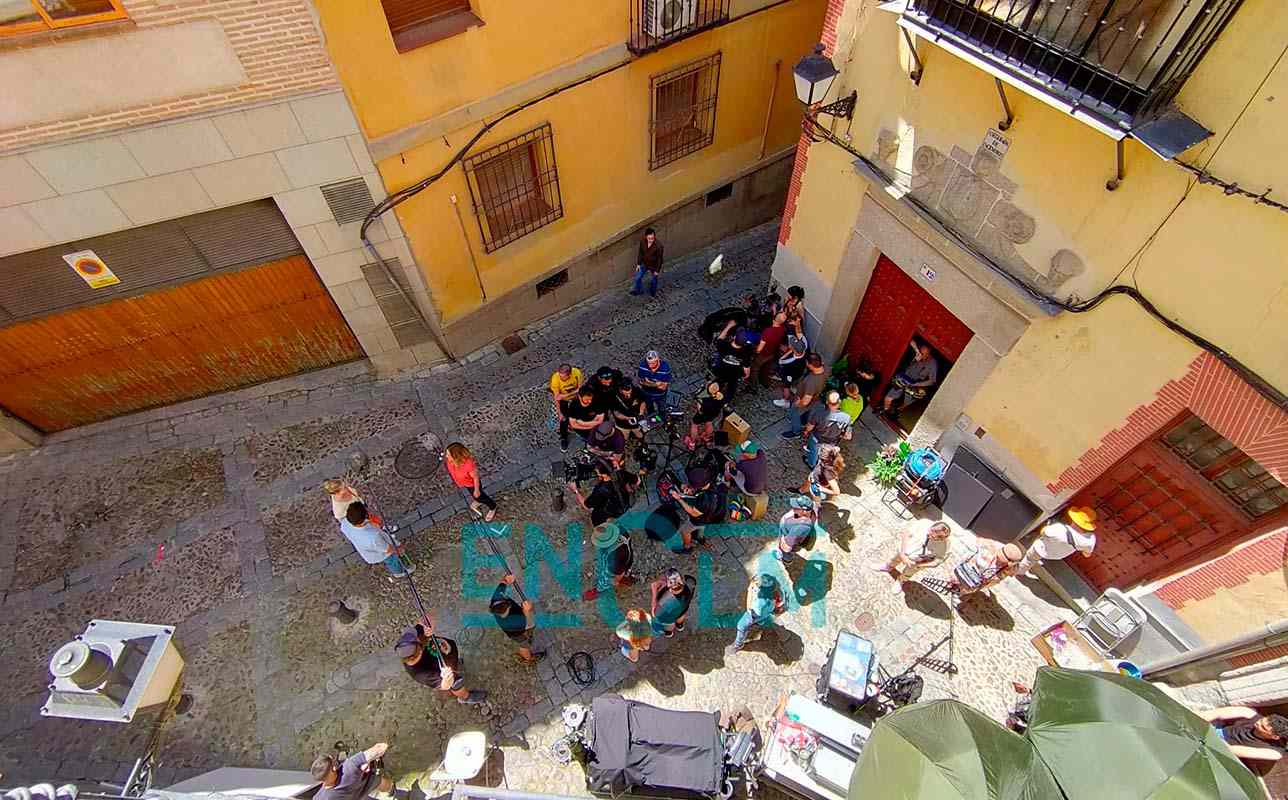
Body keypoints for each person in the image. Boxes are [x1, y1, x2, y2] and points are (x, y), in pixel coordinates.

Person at [395, 616, 487, 705]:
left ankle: (456, 665)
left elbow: (429, 616)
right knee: (456, 683)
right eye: (417, 638)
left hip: (447, 659)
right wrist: (448, 678)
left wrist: (428, 625)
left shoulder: (414, 637)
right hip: (447, 673)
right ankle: (466, 697)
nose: (418, 634)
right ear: (419, 650)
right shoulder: (422, 674)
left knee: (455, 669)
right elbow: (446, 685)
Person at [870, 521, 952, 593]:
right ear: (931, 528)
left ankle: (900, 581)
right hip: (904, 550)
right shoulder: (924, 523)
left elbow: (937, 561)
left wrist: (918, 565)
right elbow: (906, 533)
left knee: (908, 573)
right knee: (894, 559)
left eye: (935, 538)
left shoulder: (945, 546)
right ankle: (888, 567)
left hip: (917, 562)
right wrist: (902, 554)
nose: (931, 538)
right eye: (931, 534)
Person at [340, 502, 414, 580]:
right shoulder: (373, 537)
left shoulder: (344, 523)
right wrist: (398, 549)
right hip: (380, 553)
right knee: (392, 561)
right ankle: (399, 572)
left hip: (367, 549)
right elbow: (387, 549)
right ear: (365, 517)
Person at [1017, 506, 1097, 575]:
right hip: (1057, 555)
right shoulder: (1089, 540)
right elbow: (1087, 554)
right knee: (1044, 552)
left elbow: (1043, 532)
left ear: (1074, 518)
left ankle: (1018, 571)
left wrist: (1048, 526)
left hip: (1041, 549)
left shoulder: (1059, 528)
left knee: (1030, 558)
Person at [1198, 707, 1287, 764]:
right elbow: (1216, 713)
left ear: (1274, 737)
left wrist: (1209, 736)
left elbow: (1230, 750)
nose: (1257, 723)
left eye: (1262, 727)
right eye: (1262, 720)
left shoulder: (1274, 753)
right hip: (1214, 730)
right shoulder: (1250, 714)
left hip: (1220, 750)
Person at [490, 574, 545, 663]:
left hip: (519, 622)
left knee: (527, 637)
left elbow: (503, 583)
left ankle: (527, 651)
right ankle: (528, 658)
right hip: (518, 633)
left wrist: (506, 580)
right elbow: (527, 624)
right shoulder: (512, 622)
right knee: (524, 645)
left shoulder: (496, 598)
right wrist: (527, 611)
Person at [311, 742, 392, 800]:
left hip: (356, 796)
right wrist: (385, 744)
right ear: (333, 769)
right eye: (333, 763)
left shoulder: (319, 798)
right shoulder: (349, 769)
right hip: (368, 782)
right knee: (383, 784)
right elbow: (378, 749)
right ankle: (392, 791)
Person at [728, 574, 785, 654]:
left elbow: (750, 610)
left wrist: (750, 590)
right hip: (766, 613)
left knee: (741, 626)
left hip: (756, 614)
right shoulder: (776, 594)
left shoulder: (759, 603)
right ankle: (759, 623)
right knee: (761, 619)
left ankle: (738, 644)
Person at [948, 541, 1024, 599]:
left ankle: (959, 588)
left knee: (966, 586)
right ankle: (956, 586)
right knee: (960, 580)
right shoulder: (988, 549)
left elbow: (998, 579)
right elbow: (970, 555)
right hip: (971, 572)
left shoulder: (1012, 567)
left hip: (976, 578)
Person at [572, 460, 638, 526]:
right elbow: (637, 480)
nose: (597, 473)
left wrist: (576, 490)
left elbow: (586, 506)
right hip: (625, 504)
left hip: (612, 510)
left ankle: (601, 530)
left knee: (596, 516)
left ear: (602, 474)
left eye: (597, 471)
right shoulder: (621, 473)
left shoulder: (602, 490)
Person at [882, 342, 939, 415]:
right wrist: (916, 351)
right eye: (920, 352)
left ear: (929, 354)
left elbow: (932, 381)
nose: (920, 355)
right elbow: (911, 341)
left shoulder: (933, 363)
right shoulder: (917, 353)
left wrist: (917, 384)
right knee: (888, 397)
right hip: (904, 379)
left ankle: (896, 413)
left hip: (915, 385)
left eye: (923, 354)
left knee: (906, 403)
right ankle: (885, 411)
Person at [444, 442, 496, 521]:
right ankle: (478, 500)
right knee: (475, 496)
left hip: (472, 485)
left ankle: (493, 507)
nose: (446, 456)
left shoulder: (469, 465)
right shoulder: (451, 461)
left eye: (448, 454)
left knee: (480, 496)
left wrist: (477, 490)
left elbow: (476, 478)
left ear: (456, 456)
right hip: (465, 483)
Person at [584, 522, 636, 600]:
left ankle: (600, 590)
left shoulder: (614, 560)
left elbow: (617, 576)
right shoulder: (619, 529)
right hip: (625, 553)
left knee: (610, 579)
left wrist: (615, 581)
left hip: (620, 562)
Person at [781, 353, 827, 441]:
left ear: (810, 365)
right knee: (802, 413)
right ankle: (798, 419)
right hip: (815, 398)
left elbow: (805, 401)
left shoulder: (812, 382)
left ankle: (796, 432)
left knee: (795, 413)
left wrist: (798, 404)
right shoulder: (826, 370)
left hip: (802, 400)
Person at [802, 390, 853, 467]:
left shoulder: (819, 413)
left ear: (827, 402)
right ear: (839, 402)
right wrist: (839, 435)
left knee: (813, 451)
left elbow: (809, 427)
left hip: (817, 438)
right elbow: (848, 437)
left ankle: (811, 464)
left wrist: (806, 431)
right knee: (825, 454)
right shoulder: (846, 417)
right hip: (832, 441)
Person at [650, 568, 694, 638]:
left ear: (668, 585)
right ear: (682, 581)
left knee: (669, 624)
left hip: (669, 616)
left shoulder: (664, 602)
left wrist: (653, 601)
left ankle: (669, 633)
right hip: (683, 607)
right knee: (681, 616)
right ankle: (680, 626)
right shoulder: (690, 583)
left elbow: (654, 585)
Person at [714, 326, 755, 400]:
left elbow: (719, 338)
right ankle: (728, 399)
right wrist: (746, 375)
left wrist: (728, 327)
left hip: (721, 370)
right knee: (732, 387)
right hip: (735, 374)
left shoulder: (724, 345)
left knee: (719, 382)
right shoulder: (747, 351)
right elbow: (746, 367)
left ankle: (715, 394)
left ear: (734, 337)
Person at [550, 363, 584, 452]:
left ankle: (581, 431)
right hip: (563, 401)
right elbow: (557, 398)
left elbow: (580, 389)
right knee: (563, 420)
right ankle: (563, 438)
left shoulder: (577, 373)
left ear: (569, 374)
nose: (561, 378)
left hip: (575, 398)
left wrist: (566, 395)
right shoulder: (555, 379)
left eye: (563, 377)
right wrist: (559, 413)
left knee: (579, 415)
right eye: (560, 376)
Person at [686, 380, 727, 450]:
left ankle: (692, 443)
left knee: (694, 424)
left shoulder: (704, 400)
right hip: (713, 413)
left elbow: (700, 410)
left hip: (703, 413)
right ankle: (707, 438)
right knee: (709, 423)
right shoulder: (721, 396)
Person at [777, 495, 818, 563]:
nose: (793, 508)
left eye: (796, 508)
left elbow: (787, 548)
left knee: (786, 553)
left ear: (805, 511)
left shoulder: (800, 527)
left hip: (790, 542)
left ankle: (786, 560)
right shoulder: (811, 511)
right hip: (792, 535)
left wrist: (782, 540)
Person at [753, 311, 789, 388]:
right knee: (766, 368)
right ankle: (765, 383)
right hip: (772, 353)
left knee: (755, 369)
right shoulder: (782, 329)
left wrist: (755, 351)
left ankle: (753, 385)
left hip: (763, 354)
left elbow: (759, 349)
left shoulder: (768, 331)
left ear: (773, 320)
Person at [773, 336, 808, 409]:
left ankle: (785, 401)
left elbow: (781, 361)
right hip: (797, 372)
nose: (789, 345)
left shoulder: (792, 363)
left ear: (794, 349)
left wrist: (787, 384)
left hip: (789, 375)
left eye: (791, 345)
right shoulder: (803, 350)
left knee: (786, 386)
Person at [630, 228, 664, 297]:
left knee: (654, 280)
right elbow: (640, 253)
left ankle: (653, 292)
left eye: (652, 238)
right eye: (649, 238)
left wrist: (657, 271)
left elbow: (660, 260)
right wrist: (639, 264)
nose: (651, 240)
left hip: (654, 266)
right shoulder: (642, 242)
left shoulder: (659, 246)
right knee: (637, 278)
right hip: (644, 264)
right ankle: (639, 290)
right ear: (646, 237)